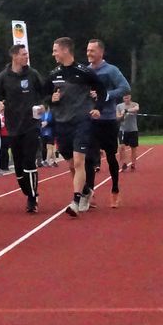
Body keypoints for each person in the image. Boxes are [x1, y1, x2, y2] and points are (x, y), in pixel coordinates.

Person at [45, 37, 106, 217]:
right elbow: (44, 95)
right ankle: (86, 190)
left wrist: (97, 109)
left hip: (81, 121)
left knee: (79, 161)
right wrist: (50, 99)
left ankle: (76, 201)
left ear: (65, 50)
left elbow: (102, 91)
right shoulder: (53, 74)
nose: (53, 54)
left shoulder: (84, 72)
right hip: (62, 123)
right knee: (71, 164)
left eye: (55, 50)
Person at [0, 44, 45, 213]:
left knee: (30, 160)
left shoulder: (33, 74)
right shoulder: (3, 77)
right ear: (14, 56)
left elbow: (45, 92)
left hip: (32, 124)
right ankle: (27, 189)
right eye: (23, 54)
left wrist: (44, 105)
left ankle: (32, 198)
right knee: (19, 166)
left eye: (27, 54)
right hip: (13, 126)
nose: (26, 57)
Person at [84, 39, 131, 208]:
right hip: (91, 120)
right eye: (88, 50)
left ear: (101, 53)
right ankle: (89, 193)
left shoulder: (111, 70)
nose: (89, 53)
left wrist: (106, 95)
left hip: (108, 120)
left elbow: (125, 88)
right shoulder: (85, 71)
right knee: (89, 158)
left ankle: (115, 190)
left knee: (111, 157)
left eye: (92, 51)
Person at [117, 92, 140, 171]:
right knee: (121, 147)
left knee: (133, 148)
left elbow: (136, 109)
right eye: (125, 98)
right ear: (123, 98)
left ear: (130, 97)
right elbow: (118, 118)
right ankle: (123, 163)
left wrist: (127, 110)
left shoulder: (134, 104)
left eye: (128, 97)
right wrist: (122, 115)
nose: (126, 99)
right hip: (123, 130)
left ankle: (133, 164)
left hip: (133, 129)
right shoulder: (119, 106)